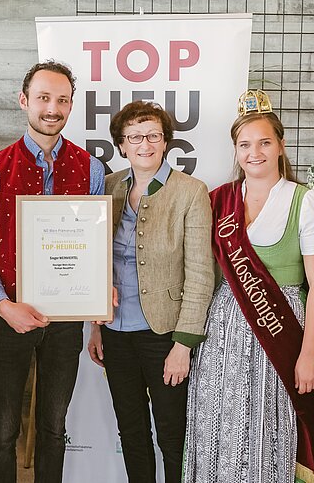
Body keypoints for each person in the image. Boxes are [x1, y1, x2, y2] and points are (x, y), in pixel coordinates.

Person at [0, 60, 105, 483]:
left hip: (66, 322)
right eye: (43, 98)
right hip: (9, 319)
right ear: (24, 101)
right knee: (3, 430)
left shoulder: (91, 169)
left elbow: (95, 249)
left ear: (72, 105)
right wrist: (4, 306)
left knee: (54, 428)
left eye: (62, 99)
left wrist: (99, 293)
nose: (52, 108)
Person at [183, 90, 314, 483]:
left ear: (281, 145)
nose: (255, 152)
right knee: (218, 422)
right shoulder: (218, 200)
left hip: (279, 329)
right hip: (222, 332)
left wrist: (309, 355)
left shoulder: (307, 202)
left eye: (265, 142)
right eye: (245, 144)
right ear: (235, 151)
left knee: (269, 427)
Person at [86, 101, 213, 483]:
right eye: (135, 137)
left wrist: (183, 344)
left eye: (153, 135)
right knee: (131, 431)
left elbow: (201, 274)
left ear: (165, 141)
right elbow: (95, 262)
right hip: (114, 332)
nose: (145, 144)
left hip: (165, 335)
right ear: (121, 145)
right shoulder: (107, 188)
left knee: (172, 435)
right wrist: (94, 326)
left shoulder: (191, 191)